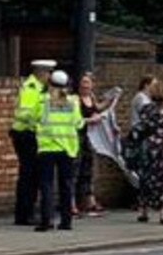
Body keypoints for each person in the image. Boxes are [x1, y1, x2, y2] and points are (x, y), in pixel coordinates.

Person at [34, 70, 84, 232]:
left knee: (47, 185)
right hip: (67, 149)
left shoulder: (43, 102)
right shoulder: (73, 102)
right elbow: (79, 124)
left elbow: (33, 119)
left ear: (50, 85)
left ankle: (46, 221)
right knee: (66, 186)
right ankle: (66, 221)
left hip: (47, 147)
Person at [9, 59, 55, 226]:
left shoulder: (41, 88)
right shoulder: (31, 88)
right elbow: (25, 114)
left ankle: (27, 213)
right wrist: (40, 120)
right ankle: (24, 215)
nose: (50, 76)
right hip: (25, 135)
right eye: (49, 72)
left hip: (31, 135)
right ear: (42, 73)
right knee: (29, 175)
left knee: (33, 175)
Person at [130, 79, 163, 225]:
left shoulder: (148, 109)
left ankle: (144, 211)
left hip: (149, 148)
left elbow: (142, 128)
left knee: (146, 180)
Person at [75, 73, 108, 217]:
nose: (85, 86)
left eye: (88, 83)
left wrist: (110, 102)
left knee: (88, 169)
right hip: (78, 137)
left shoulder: (92, 97)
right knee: (77, 169)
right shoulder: (76, 99)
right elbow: (76, 120)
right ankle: (75, 202)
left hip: (90, 138)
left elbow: (97, 108)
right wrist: (91, 120)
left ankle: (89, 200)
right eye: (83, 82)